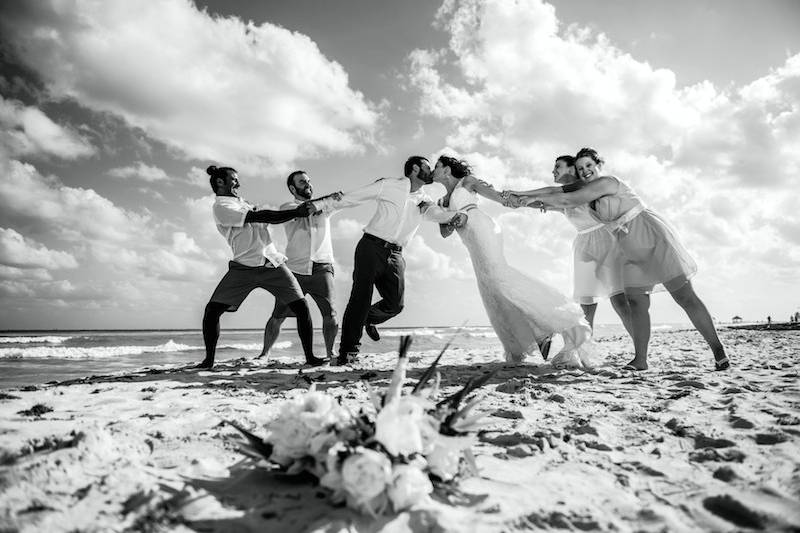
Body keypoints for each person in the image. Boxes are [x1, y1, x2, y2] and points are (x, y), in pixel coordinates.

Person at [520, 148, 729, 371]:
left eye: (589, 165)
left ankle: (718, 350)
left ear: (599, 165)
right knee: (636, 303)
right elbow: (563, 197)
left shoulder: (609, 182)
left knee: (685, 297)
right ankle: (641, 360)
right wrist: (519, 199)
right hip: (627, 248)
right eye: (581, 169)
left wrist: (525, 194)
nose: (586, 171)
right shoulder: (590, 197)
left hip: (650, 236)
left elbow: (565, 195)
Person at [432, 155, 595, 368]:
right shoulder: (441, 201)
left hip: (482, 229)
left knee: (500, 279)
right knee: (491, 290)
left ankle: (553, 324)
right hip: (468, 239)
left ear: (446, 170)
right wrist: (449, 218)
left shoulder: (468, 182)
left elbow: (499, 198)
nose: (434, 170)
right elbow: (445, 232)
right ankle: (535, 334)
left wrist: (533, 201)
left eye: (437, 166)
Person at [315, 156, 460, 366]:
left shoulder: (423, 199)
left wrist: (457, 216)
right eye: (428, 167)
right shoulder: (389, 185)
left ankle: (368, 319)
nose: (430, 172)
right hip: (370, 248)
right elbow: (354, 197)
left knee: (396, 304)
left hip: (396, 255)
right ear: (415, 168)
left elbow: (435, 214)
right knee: (359, 300)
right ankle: (348, 353)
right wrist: (321, 204)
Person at [199, 165, 326, 369]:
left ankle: (310, 357)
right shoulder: (221, 207)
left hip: (272, 263)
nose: (238, 183)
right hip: (243, 267)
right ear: (220, 182)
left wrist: (293, 213)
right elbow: (260, 217)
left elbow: (263, 218)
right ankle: (208, 361)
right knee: (212, 311)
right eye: (234, 179)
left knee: (302, 307)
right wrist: (297, 212)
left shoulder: (242, 202)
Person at [507, 155, 633, 335]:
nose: (553, 171)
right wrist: (514, 200)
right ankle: (584, 349)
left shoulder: (585, 186)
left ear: (572, 169)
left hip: (607, 241)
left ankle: (640, 350)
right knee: (586, 303)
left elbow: (554, 193)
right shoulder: (561, 195)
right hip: (584, 246)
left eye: (557, 166)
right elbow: (546, 200)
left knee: (619, 301)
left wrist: (522, 195)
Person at [257, 171, 340, 359]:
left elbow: (343, 201)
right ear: (293, 188)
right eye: (303, 182)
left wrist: (337, 199)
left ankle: (330, 352)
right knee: (278, 314)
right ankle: (265, 353)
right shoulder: (288, 207)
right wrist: (329, 199)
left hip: (322, 267)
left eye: (309, 181)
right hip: (295, 269)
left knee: (330, 313)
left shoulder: (325, 208)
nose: (308, 184)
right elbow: (306, 208)